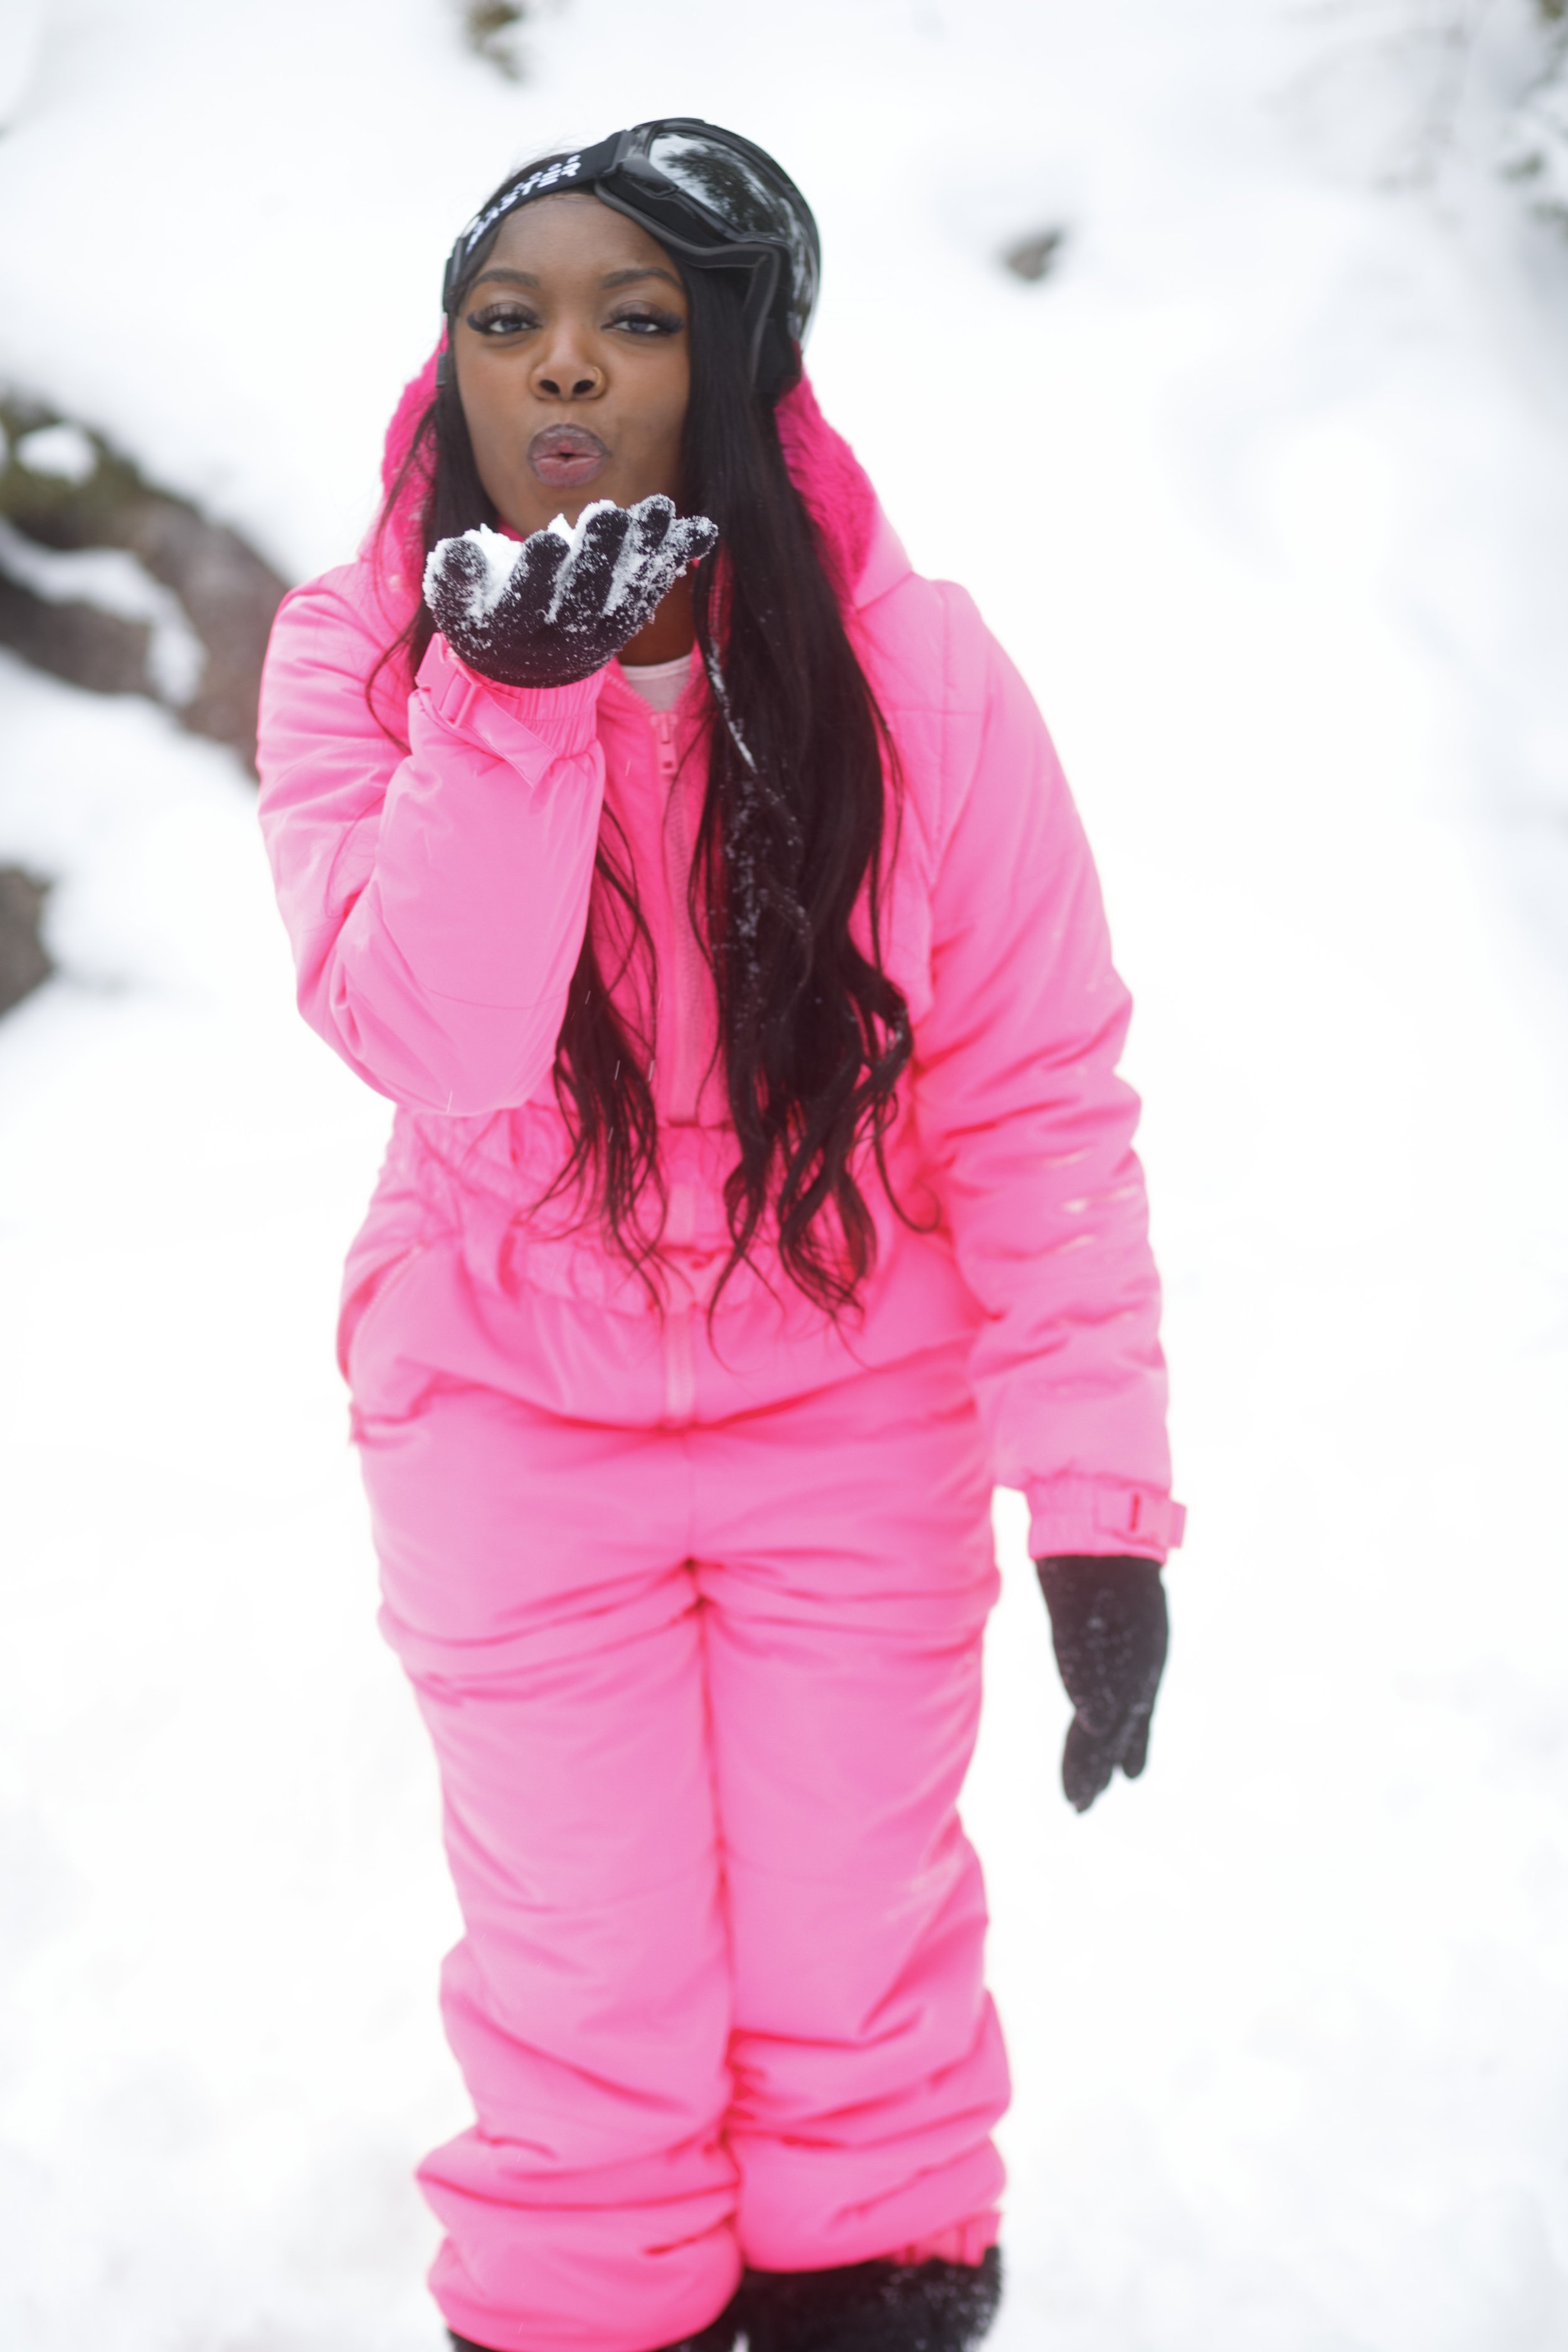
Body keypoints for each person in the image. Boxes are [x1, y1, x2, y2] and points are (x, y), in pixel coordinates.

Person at [256, 119, 1183, 2352]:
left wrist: (1097, 1505)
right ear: (451, 365)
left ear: (742, 362)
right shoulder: (359, 657)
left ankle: (873, 2300)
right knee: (588, 1964)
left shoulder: (918, 677)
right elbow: (435, 1040)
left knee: (848, 1928)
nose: (560, 372)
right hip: (502, 1418)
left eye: (632, 322)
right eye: (511, 323)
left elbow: (1037, 1088)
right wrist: (513, 706)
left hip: (849, 1409)